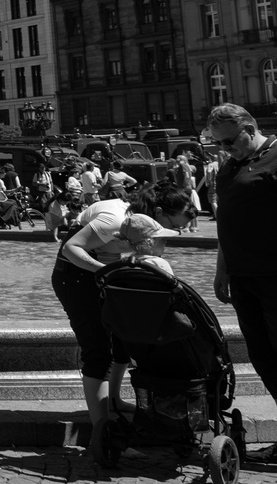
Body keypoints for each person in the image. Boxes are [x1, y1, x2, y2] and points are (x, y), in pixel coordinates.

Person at [54, 181, 191, 435]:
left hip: (105, 274)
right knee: (98, 351)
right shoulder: (116, 219)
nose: (175, 233)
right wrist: (106, 271)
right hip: (76, 276)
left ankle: (114, 399)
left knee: (122, 339)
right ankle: (102, 430)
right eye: (174, 226)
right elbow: (70, 248)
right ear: (158, 212)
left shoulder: (140, 224)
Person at [207, 103, 277, 464]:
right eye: (219, 145)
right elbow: (228, 222)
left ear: (250, 127)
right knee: (264, 357)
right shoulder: (230, 167)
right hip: (244, 277)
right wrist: (222, 269)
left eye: (229, 142)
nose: (226, 149)